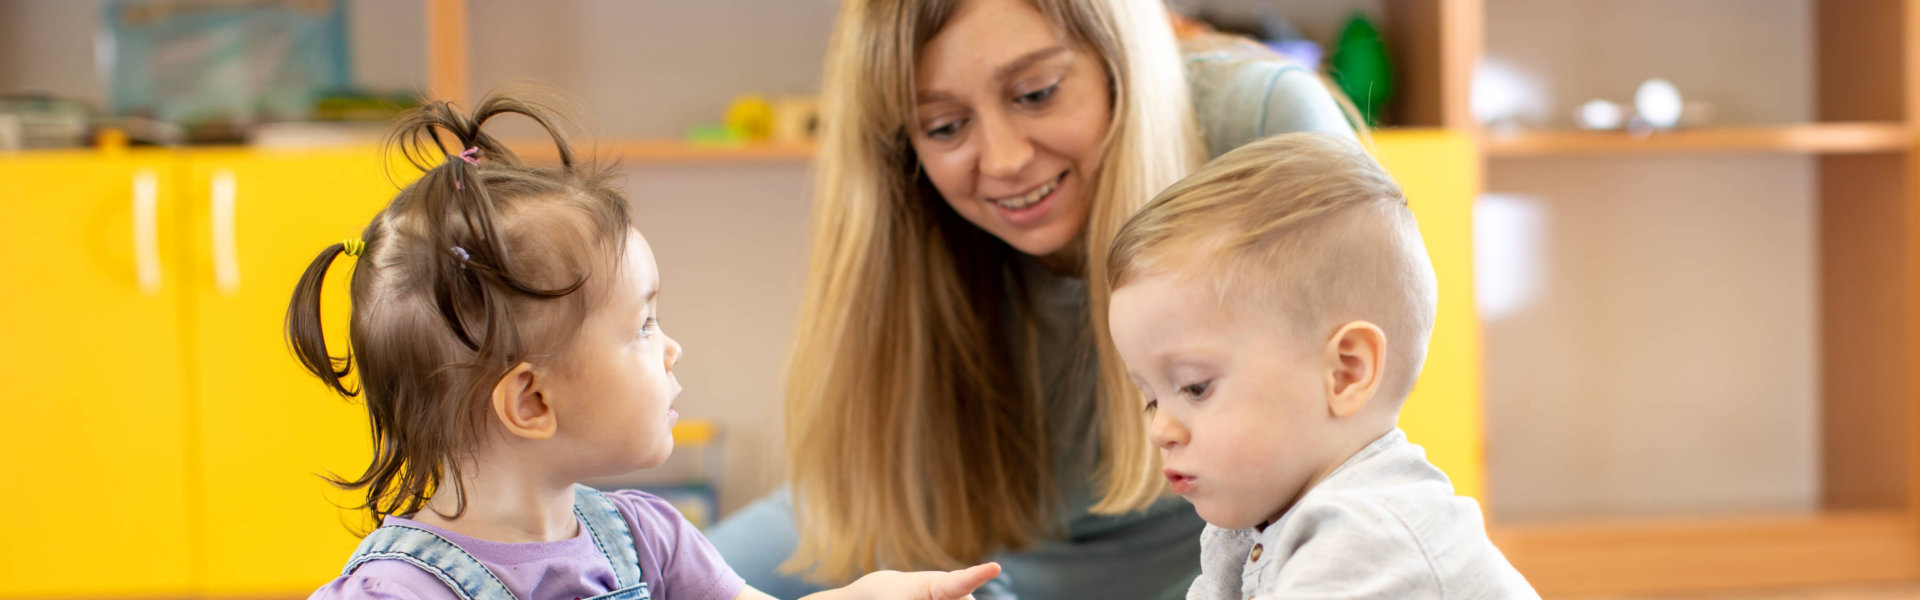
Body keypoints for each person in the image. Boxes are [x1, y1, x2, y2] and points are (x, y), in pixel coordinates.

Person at [706, 1, 1356, 598]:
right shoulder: (920, 233)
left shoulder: (1264, 129)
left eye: (1037, 94)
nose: (1006, 158)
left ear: (1114, 58)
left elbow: (1348, 475)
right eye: (944, 126)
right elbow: (849, 504)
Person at [290, 94, 1000, 600]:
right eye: (643, 327)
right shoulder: (398, 590)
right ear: (533, 400)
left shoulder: (645, 539)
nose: (673, 349)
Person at [1104, 133, 1537, 598]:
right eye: (1151, 399)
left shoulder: (1370, 538)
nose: (1160, 430)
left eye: (1194, 388)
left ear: (1345, 372)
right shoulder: (1252, 524)